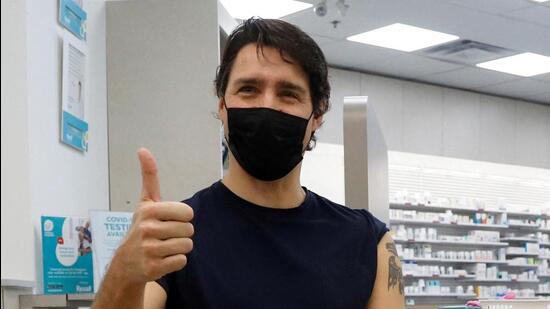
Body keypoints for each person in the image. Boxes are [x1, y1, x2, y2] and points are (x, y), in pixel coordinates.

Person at [92, 18, 404, 309]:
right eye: (248, 89)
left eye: (288, 93)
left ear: (317, 117)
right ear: (223, 106)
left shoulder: (367, 242)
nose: (267, 105)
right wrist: (124, 271)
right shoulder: (176, 236)